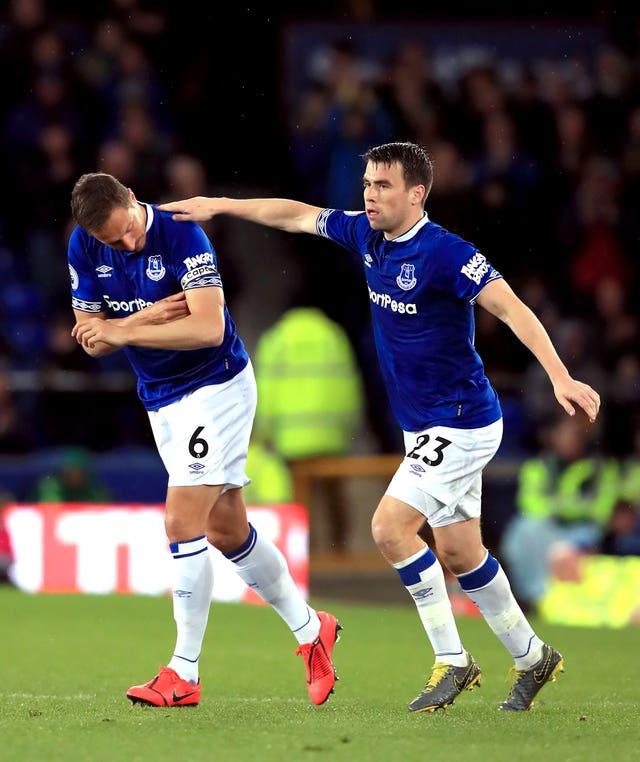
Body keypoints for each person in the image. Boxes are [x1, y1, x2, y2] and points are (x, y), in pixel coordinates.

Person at [157, 141, 601, 713]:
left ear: (417, 194)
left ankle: (453, 660)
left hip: (462, 422)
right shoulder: (366, 236)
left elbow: (511, 307)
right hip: (424, 428)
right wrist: (221, 204)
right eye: (367, 183)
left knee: (390, 528)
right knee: (463, 554)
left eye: (384, 186)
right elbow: (294, 214)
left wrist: (560, 377)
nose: (370, 194)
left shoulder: (446, 253)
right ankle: (533, 655)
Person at [67, 172, 341, 708]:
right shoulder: (85, 243)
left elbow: (207, 328)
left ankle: (183, 672)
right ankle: (313, 631)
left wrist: (124, 330)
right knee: (225, 528)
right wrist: (141, 320)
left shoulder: (181, 232)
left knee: (180, 521)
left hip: (215, 387)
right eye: (111, 242)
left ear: (130, 198)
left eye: (126, 231)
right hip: (160, 398)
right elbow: (92, 337)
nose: (125, 245)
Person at [253, 295, 364, 552]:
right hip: (331, 436)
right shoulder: (334, 336)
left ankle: (305, 553)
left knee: (298, 499)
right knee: (333, 496)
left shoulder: (276, 339)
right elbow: (349, 385)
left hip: (290, 438)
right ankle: (340, 551)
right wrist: (351, 426)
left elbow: (265, 389)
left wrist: (264, 430)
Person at [500, 414, 619, 611]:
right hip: (549, 526)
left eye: (575, 434)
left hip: (584, 530)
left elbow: (602, 510)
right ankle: (534, 596)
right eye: (565, 433)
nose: (570, 439)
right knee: (521, 530)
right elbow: (529, 504)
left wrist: (562, 507)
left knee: (563, 546)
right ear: (553, 436)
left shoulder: (601, 467)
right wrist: (568, 507)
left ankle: (556, 601)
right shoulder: (537, 466)